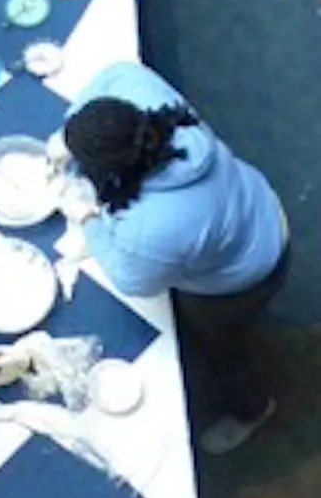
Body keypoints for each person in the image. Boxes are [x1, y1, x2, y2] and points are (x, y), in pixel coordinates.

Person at [61, 61, 289, 455]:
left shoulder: (150, 229)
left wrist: (88, 220)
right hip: (260, 208)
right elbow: (114, 74)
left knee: (225, 350)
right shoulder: (147, 99)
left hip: (243, 278)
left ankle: (251, 408)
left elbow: (134, 280)